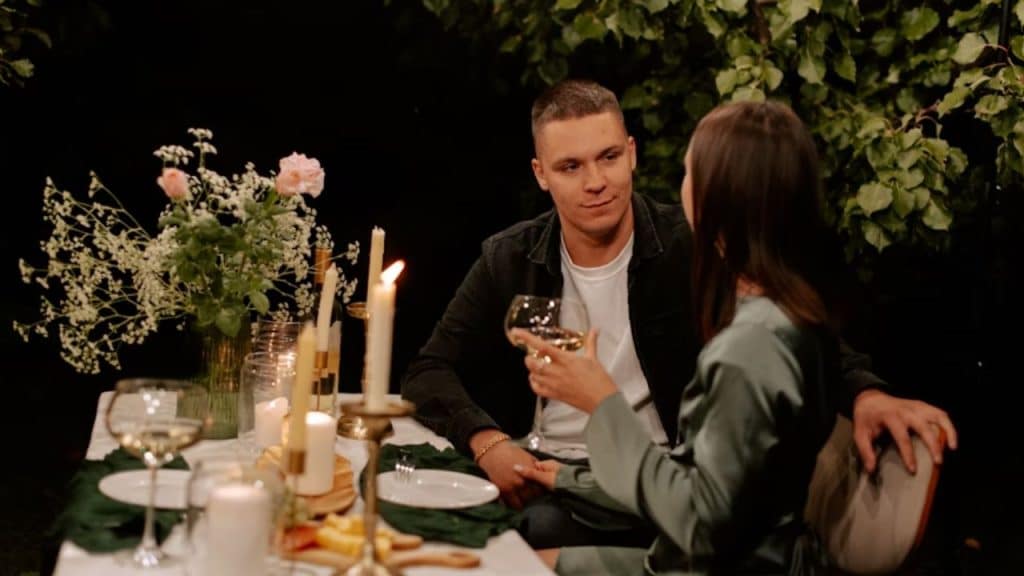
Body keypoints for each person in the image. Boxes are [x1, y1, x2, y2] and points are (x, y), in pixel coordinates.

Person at [400, 79, 957, 547]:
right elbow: (428, 371)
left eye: (609, 157)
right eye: (570, 166)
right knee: (415, 512)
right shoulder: (512, 255)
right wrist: (489, 442)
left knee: (506, 542)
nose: (596, 182)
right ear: (541, 174)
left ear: (633, 153)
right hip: (550, 469)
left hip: (660, 481)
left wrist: (867, 394)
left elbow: (796, 336)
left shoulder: (693, 246)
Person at [511, 99, 847, 573]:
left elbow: (701, 528)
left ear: (716, 194)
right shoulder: (796, 311)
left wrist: (601, 401)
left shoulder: (749, 348)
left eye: (690, 172)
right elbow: (720, 489)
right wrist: (572, 481)